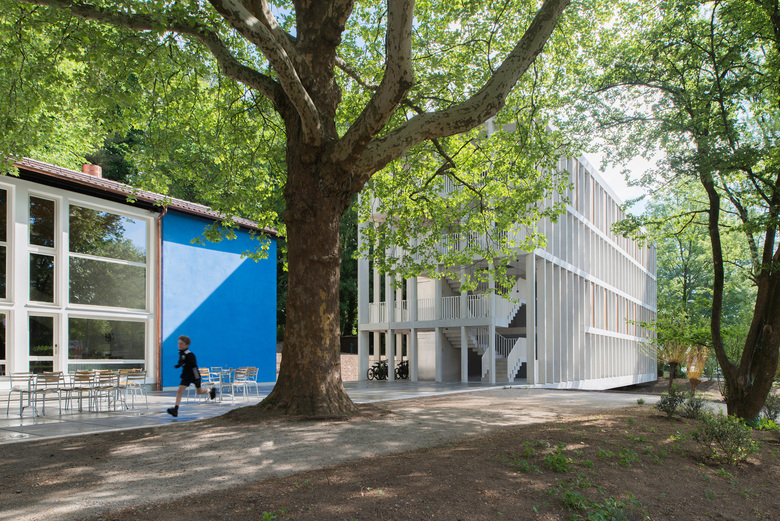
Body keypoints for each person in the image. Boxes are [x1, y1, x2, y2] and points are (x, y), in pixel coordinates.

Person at [167, 335, 216, 417]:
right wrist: (178, 365)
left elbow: (193, 365)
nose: (179, 345)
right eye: (179, 343)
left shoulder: (190, 354)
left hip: (194, 375)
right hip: (186, 376)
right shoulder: (181, 352)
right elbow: (181, 361)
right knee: (179, 391)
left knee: (199, 392)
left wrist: (184, 364)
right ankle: (175, 410)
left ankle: (211, 391)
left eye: (181, 344)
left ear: (187, 345)